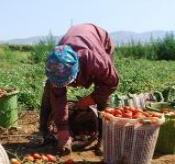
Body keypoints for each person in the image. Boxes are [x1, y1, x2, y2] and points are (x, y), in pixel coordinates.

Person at [38, 23, 119, 155]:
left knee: (103, 94)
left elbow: (110, 84)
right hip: (78, 39)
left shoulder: (98, 61)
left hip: (100, 40)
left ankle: (103, 138)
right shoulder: (55, 62)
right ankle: (43, 131)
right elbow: (58, 98)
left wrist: (89, 100)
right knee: (50, 89)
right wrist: (63, 132)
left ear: (76, 71)